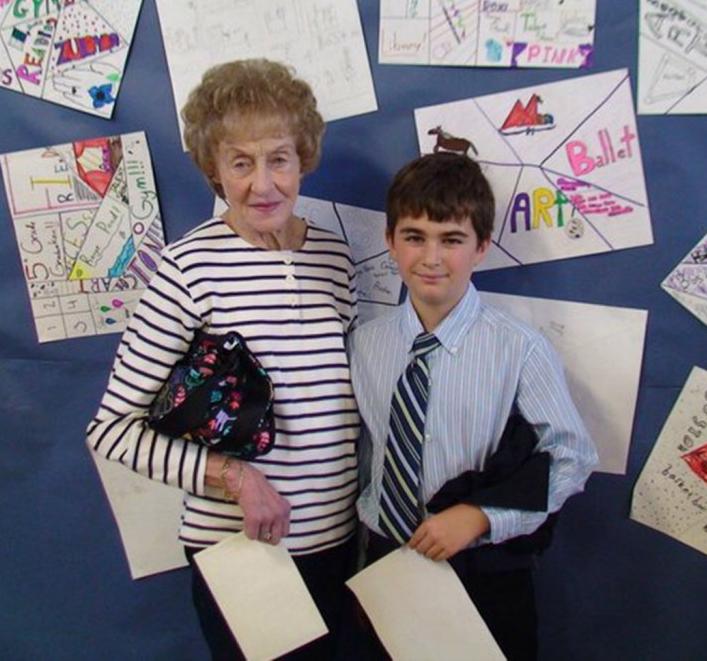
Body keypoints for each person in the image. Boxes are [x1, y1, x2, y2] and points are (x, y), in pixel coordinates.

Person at [86, 59, 359, 660]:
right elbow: (111, 431)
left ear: (302, 158)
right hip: (242, 552)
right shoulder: (188, 268)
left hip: (339, 545)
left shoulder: (336, 259)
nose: (263, 184)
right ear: (214, 169)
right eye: (241, 163)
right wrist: (235, 477)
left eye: (279, 159)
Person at [350, 152, 598, 660]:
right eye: (415, 236)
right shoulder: (364, 345)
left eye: (452, 239)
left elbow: (572, 455)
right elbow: (364, 450)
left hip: (481, 569)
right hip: (384, 560)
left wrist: (481, 515)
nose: (431, 257)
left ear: (482, 247)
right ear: (390, 241)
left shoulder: (518, 348)